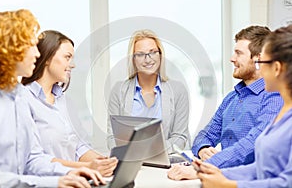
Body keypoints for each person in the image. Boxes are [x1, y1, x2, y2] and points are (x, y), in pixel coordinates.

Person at [0, 9, 105, 188]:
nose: (37, 54)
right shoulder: (14, 99)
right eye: (30, 46)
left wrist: (69, 173)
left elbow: (32, 159)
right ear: (10, 49)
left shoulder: (18, 97)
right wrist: (55, 181)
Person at [168, 25, 283, 180]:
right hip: (222, 177)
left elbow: (252, 144)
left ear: (258, 59)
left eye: (239, 53)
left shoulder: (274, 97)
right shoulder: (232, 98)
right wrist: (203, 149)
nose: (232, 58)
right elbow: (205, 134)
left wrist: (206, 168)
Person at [196, 24, 292, 188]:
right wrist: (215, 172)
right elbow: (262, 168)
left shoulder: (275, 101)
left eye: (263, 62)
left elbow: (287, 182)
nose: (260, 67)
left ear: (276, 68)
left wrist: (228, 184)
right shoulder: (233, 97)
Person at [21, 30, 118, 177]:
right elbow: (33, 160)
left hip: (75, 181)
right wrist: (86, 167)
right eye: (67, 57)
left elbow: (79, 146)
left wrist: (103, 162)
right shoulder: (23, 101)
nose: (72, 65)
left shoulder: (65, 102)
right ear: (47, 57)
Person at [107, 29, 191, 153]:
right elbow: (112, 137)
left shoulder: (178, 90)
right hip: (130, 161)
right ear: (133, 59)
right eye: (140, 54)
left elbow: (180, 137)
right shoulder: (118, 91)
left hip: (166, 161)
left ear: (160, 55)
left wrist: (150, 151)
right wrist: (130, 153)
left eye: (153, 52)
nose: (148, 59)